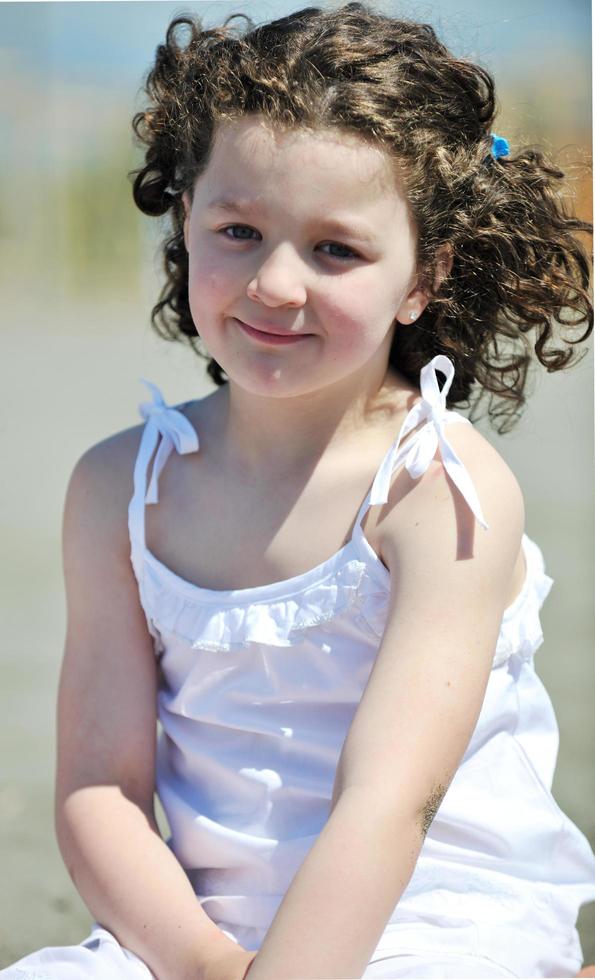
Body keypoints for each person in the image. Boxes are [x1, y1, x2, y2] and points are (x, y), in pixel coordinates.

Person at [2, 3, 595, 978]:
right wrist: (204, 959)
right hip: (196, 934)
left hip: (429, 916)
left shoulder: (436, 489)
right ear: (185, 221)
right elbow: (100, 787)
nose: (276, 283)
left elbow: (387, 800)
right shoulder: (121, 487)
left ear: (422, 275)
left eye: (335, 249)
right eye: (239, 228)